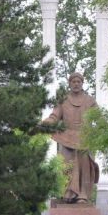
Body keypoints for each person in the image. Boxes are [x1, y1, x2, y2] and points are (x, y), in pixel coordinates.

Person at [41, 72, 99, 203]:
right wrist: (45, 123)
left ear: (82, 83)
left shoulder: (90, 101)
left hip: (85, 138)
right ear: (69, 84)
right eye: (74, 81)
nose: (76, 84)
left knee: (84, 167)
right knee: (66, 164)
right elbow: (54, 117)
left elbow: (99, 118)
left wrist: (104, 130)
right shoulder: (63, 100)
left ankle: (82, 195)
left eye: (79, 81)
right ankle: (67, 195)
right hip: (66, 138)